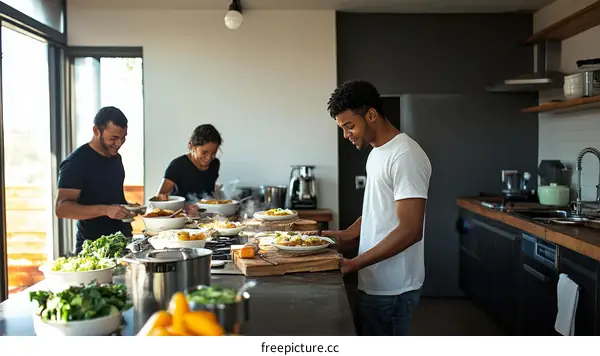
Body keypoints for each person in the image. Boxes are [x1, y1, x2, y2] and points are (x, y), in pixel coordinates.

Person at [322, 80, 432, 336]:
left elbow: (410, 229)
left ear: (371, 114)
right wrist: (342, 236)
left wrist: (355, 263)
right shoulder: (377, 152)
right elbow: (379, 211)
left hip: (393, 289)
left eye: (350, 126)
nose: (346, 135)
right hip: (375, 282)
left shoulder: (405, 155)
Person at [55, 106, 133, 253]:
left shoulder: (116, 158)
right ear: (96, 131)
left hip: (122, 241)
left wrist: (127, 209)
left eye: (123, 138)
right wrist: (105, 210)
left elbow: (109, 196)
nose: (119, 143)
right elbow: (61, 209)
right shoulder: (76, 162)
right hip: (93, 248)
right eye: (114, 138)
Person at [155, 124, 222, 215]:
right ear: (191, 146)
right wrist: (184, 207)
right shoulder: (178, 165)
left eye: (213, 153)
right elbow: (159, 199)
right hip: (180, 216)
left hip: (205, 216)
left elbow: (208, 194)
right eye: (204, 152)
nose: (209, 158)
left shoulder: (215, 164)